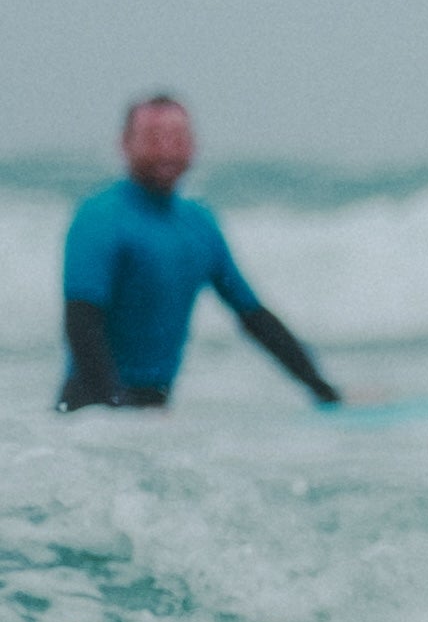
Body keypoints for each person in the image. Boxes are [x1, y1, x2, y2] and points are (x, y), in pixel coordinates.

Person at [56, 95, 342, 411]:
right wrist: (114, 409)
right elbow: (81, 323)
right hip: (88, 413)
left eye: (177, 138)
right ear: (125, 144)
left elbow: (253, 317)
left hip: (153, 409)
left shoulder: (199, 223)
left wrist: (323, 390)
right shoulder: (100, 217)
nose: (166, 149)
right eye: (153, 138)